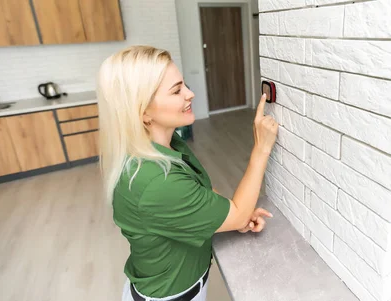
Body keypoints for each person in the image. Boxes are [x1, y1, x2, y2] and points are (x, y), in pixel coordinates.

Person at [97, 45, 279, 301]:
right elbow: (236, 215)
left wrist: (226, 214)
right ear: (143, 112)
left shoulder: (165, 147)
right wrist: (261, 148)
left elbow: (200, 192)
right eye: (176, 90)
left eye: (184, 85)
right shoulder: (157, 182)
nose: (190, 94)